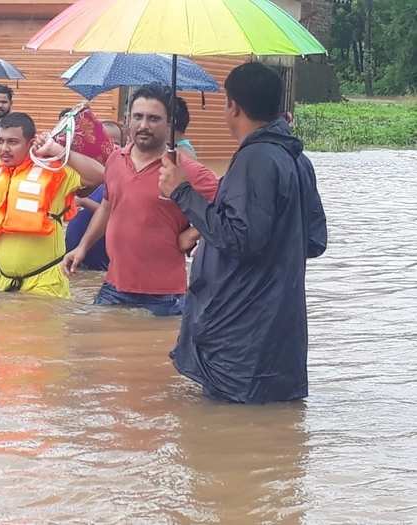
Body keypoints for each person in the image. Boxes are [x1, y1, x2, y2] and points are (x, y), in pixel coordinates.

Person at [159, 62, 327, 403]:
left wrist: (182, 192)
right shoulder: (297, 158)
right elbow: (313, 240)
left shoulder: (256, 160)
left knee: (218, 439)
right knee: (267, 441)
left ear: (232, 105)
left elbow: (241, 239)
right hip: (281, 336)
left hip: (239, 337)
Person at [63, 84, 219, 316]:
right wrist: (82, 247)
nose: (144, 125)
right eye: (138, 116)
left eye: (154, 119)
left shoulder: (184, 169)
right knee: (90, 344)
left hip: (165, 296)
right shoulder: (116, 159)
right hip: (114, 287)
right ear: (127, 120)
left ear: (169, 124)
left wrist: (194, 233)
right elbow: (108, 206)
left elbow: (227, 204)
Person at [0, 112, 104, 298]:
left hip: (46, 284)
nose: (4, 148)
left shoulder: (52, 169)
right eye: (0, 141)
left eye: (12, 142)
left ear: (30, 144)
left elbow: (101, 176)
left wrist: (56, 150)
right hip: (4, 283)